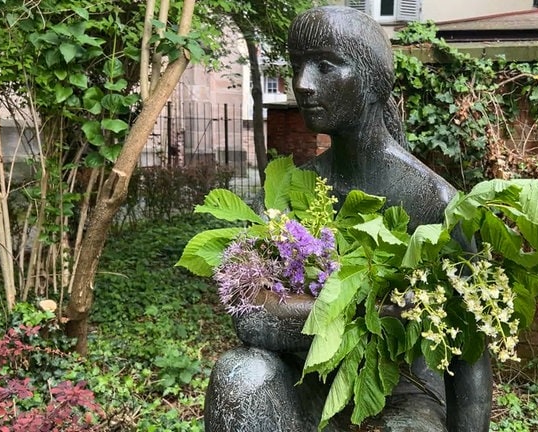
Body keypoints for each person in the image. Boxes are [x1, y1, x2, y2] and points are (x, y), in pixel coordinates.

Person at [204, 6, 491, 432]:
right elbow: (249, 314)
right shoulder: (293, 190)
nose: (302, 83)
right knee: (240, 374)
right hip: (311, 379)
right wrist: (373, 312)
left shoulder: (435, 203)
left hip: (403, 390)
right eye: (298, 65)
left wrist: (299, 313)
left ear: (372, 78)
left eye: (324, 65)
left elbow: (469, 353)